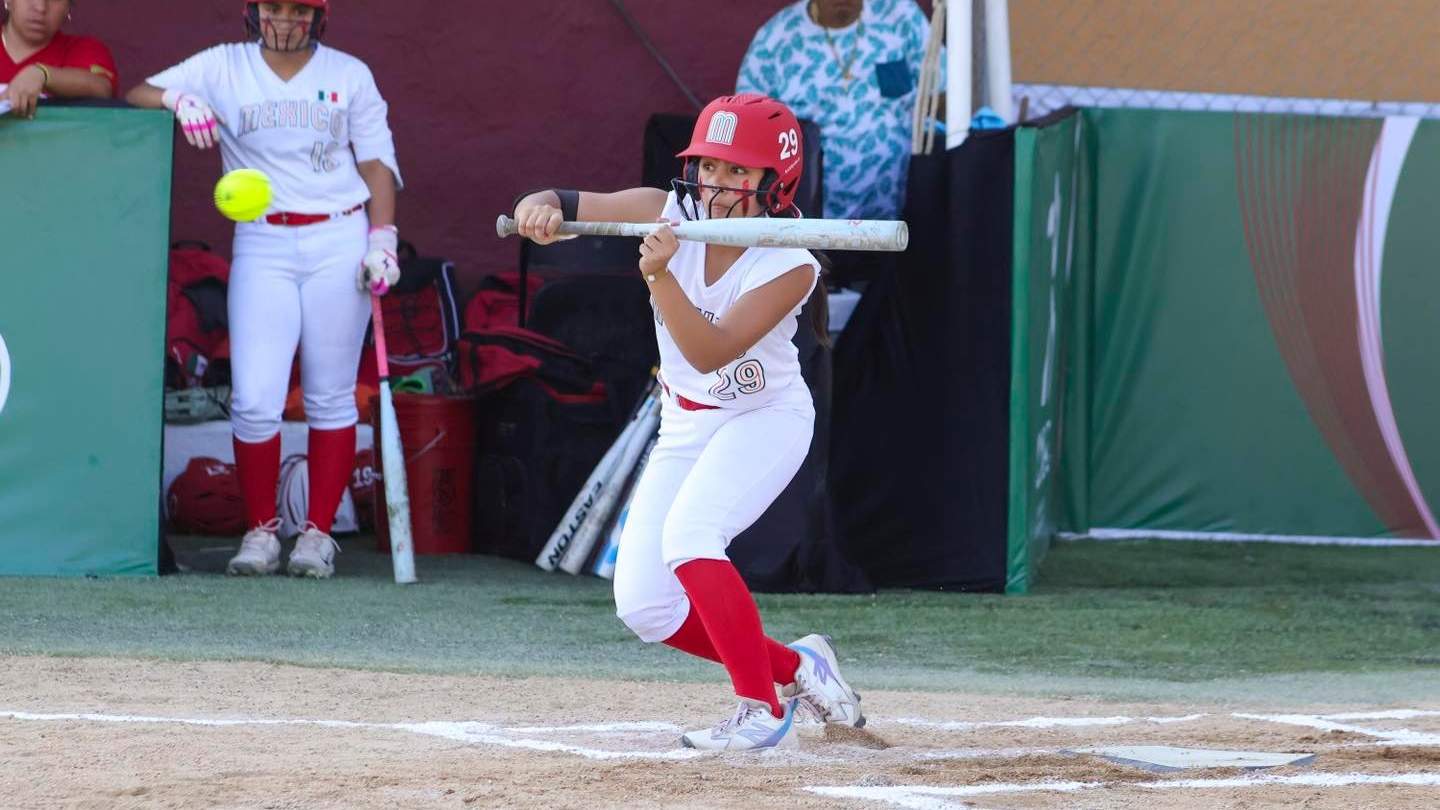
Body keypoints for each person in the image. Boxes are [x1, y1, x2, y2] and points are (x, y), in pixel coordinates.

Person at [513, 94, 863, 751]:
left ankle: (761, 711)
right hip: (687, 420)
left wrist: (659, 277)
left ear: (775, 183)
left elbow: (708, 350)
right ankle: (796, 668)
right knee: (645, 605)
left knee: (692, 535)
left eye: (737, 172)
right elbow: (567, 201)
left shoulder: (792, 264)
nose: (717, 184)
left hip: (764, 419)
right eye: (709, 166)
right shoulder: (665, 209)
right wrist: (545, 208)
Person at [125, 0, 402, 579]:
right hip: (262, 239)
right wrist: (178, 99)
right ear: (253, 12)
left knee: (329, 395)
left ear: (318, 17)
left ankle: (317, 535)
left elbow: (376, 165)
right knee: (254, 397)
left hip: (338, 236)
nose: (285, 20)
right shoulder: (223, 65)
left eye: (299, 9)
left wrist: (384, 239)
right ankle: (261, 530)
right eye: (273, 7)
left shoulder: (349, 73)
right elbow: (136, 92)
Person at [737, 0, 936, 222]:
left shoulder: (900, 15)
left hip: (898, 219)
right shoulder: (775, 39)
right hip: (808, 225)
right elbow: (747, 130)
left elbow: (944, 93)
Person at [1, 0, 117, 118]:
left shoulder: (84, 48)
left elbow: (102, 88)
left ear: (68, 7)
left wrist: (43, 74)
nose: (41, 7)